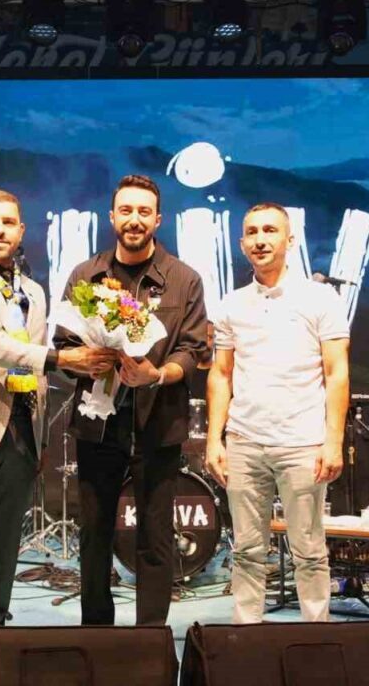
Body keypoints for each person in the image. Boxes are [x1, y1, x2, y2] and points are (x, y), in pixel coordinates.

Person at [0, 189, 116, 672]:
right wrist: (58, 358)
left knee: (3, 555)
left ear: (21, 230)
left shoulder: (34, 291)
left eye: (8, 222)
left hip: (21, 434)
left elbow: (34, 365)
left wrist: (42, 434)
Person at [54, 174, 209, 626]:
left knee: (156, 537)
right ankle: (97, 636)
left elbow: (192, 351)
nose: (134, 220)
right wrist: (86, 362)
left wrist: (156, 374)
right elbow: (63, 346)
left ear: (158, 219)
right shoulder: (85, 276)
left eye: (144, 212)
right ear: (112, 217)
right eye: (126, 211)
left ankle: (151, 638)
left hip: (159, 423)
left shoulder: (185, 279)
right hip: (97, 424)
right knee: (94, 533)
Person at [205, 203, 348, 623]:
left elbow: (337, 373)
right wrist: (215, 439)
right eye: (252, 232)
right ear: (242, 243)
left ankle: (316, 636)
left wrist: (333, 441)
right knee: (247, 551)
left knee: (309, 550)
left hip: (302, 443)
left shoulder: (320, 298)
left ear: (290, 239)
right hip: (245, 442)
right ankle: (247, 633)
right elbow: (220, 374)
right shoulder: (231, 304)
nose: (260, 240)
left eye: (270, 230)